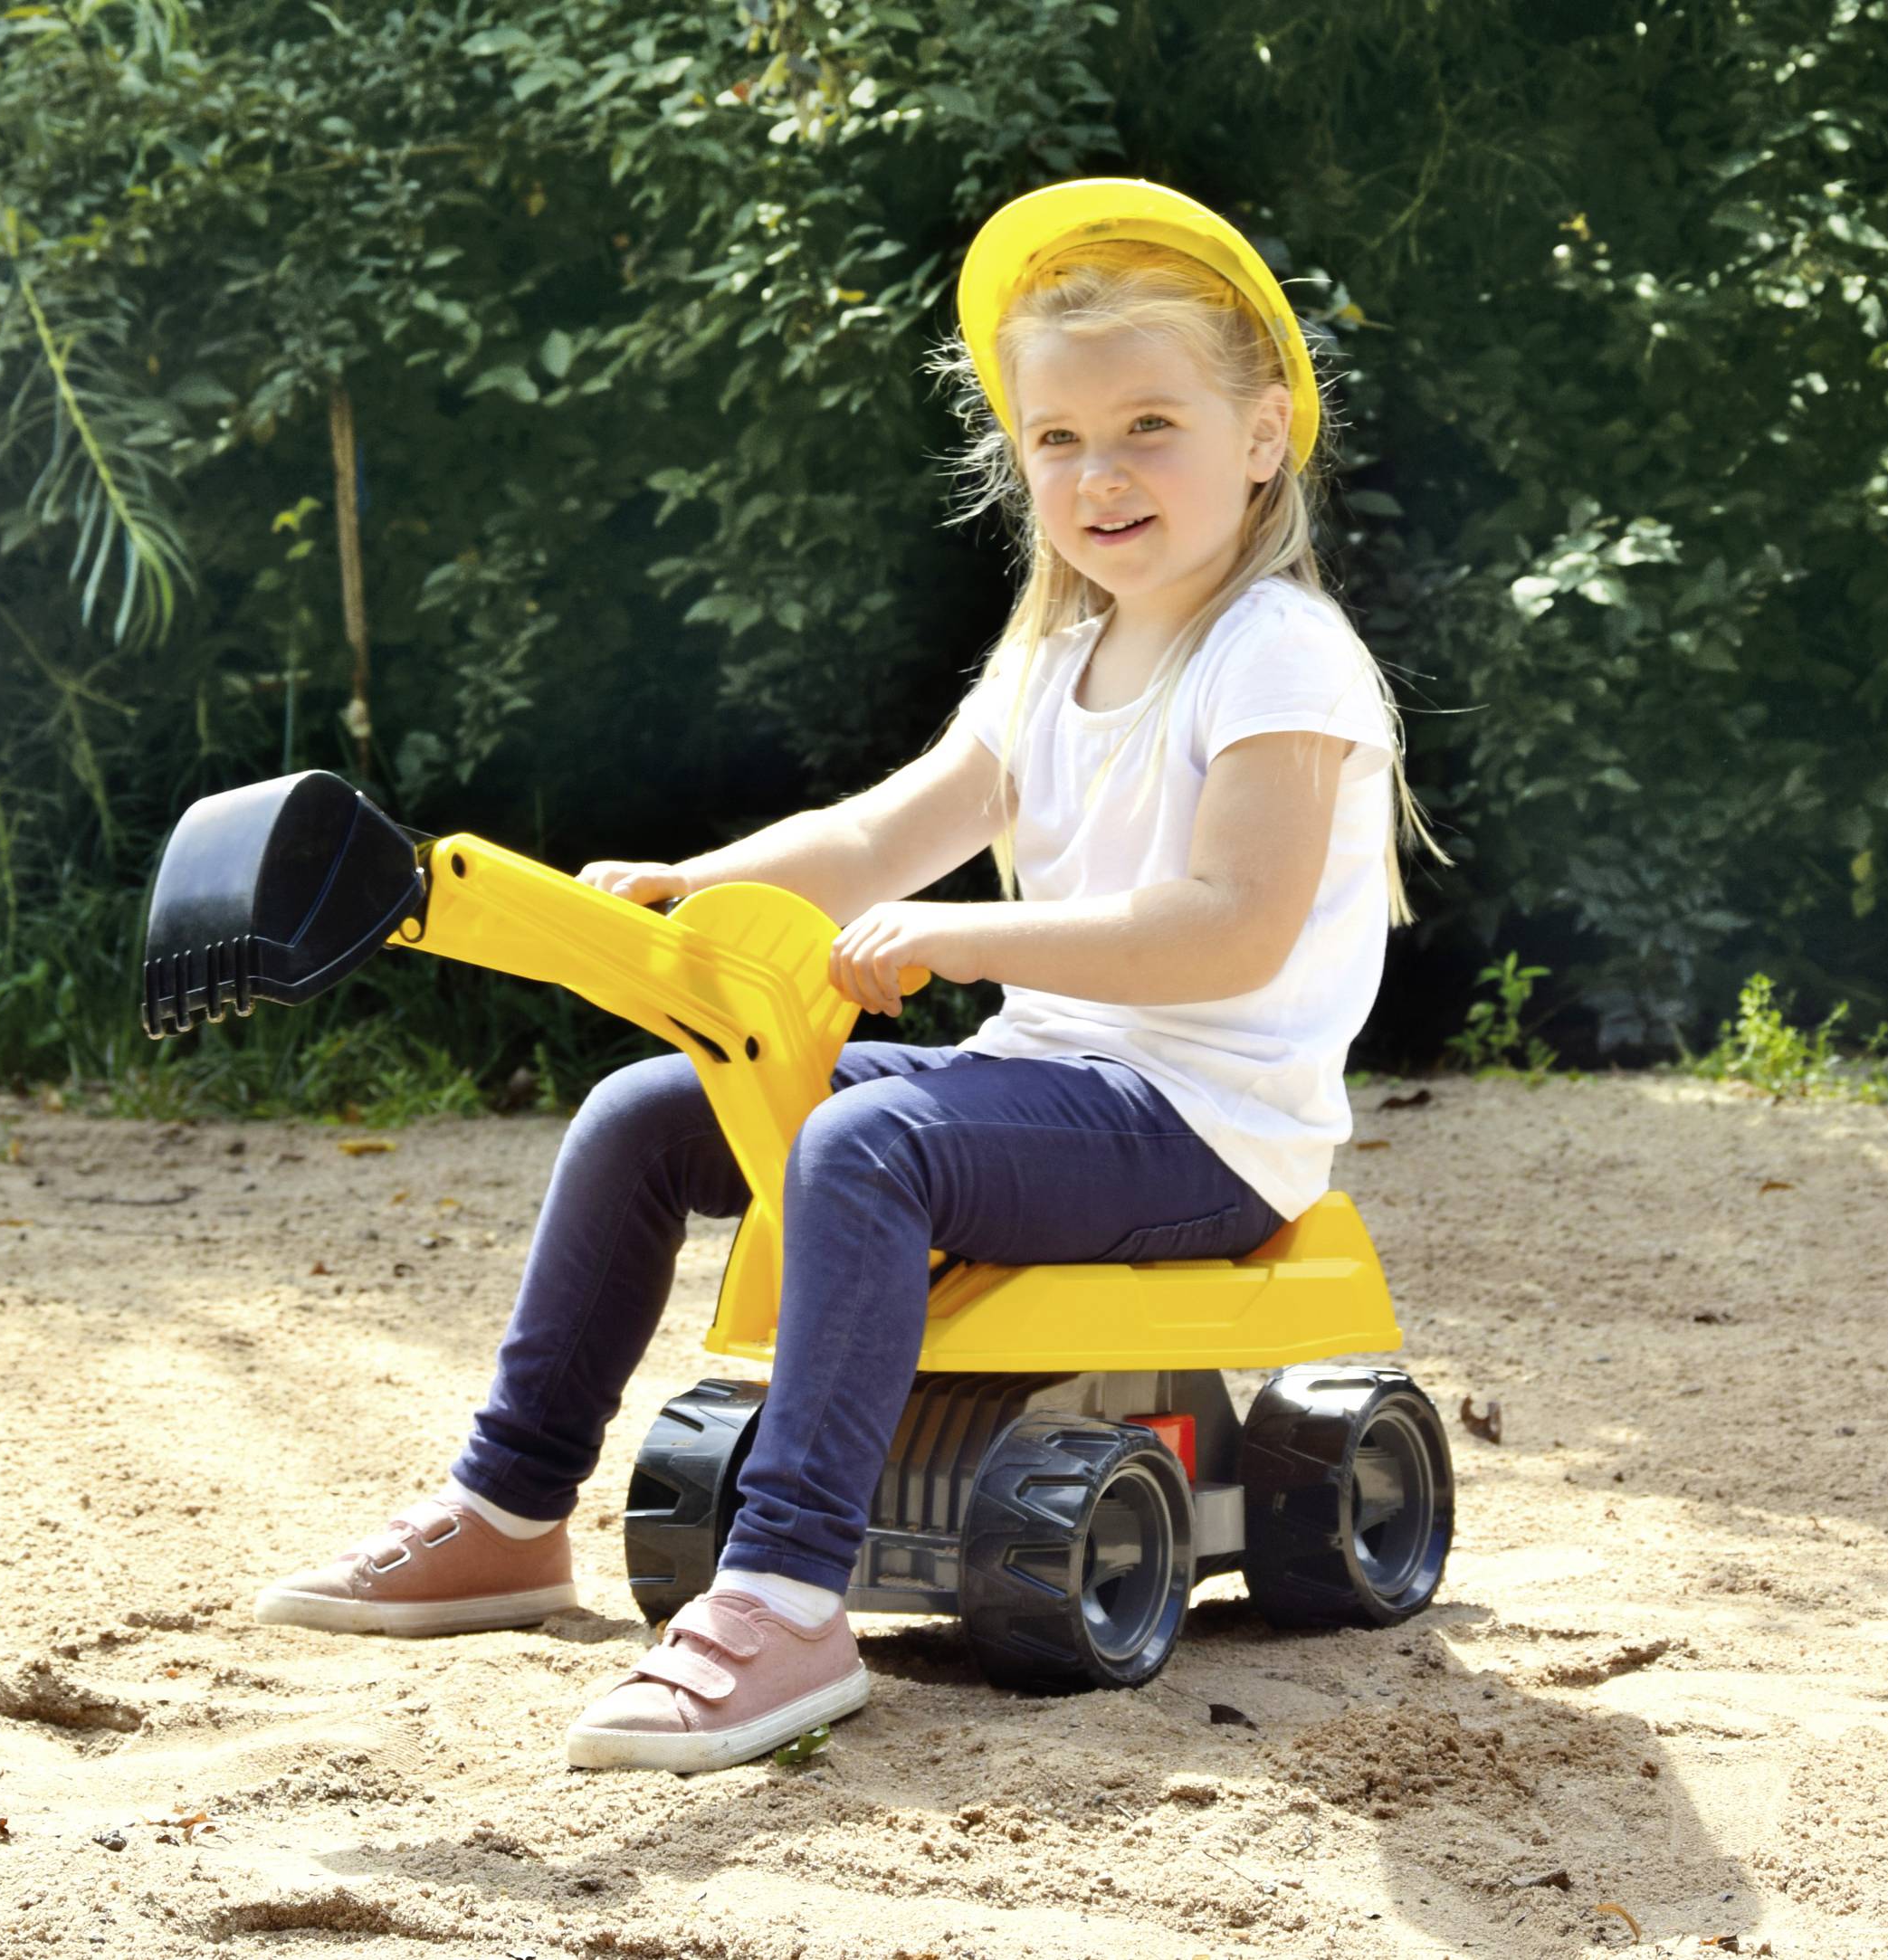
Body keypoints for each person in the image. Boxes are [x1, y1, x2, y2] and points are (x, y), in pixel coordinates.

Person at [250, 178, 1435, 1774]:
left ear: (1265, 434)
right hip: (1057, 1089)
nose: (1101, 474)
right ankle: (511, 1507)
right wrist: (706, 881)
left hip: (1202, 1123)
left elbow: (1224, 925)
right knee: (647, 1112)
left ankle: (786, 1597)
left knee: (860, 1144)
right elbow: (883, 832)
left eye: (1151, 424)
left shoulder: (1280, 655)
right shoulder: (1051, 660)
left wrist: (963, 941)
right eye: (1059, 440)